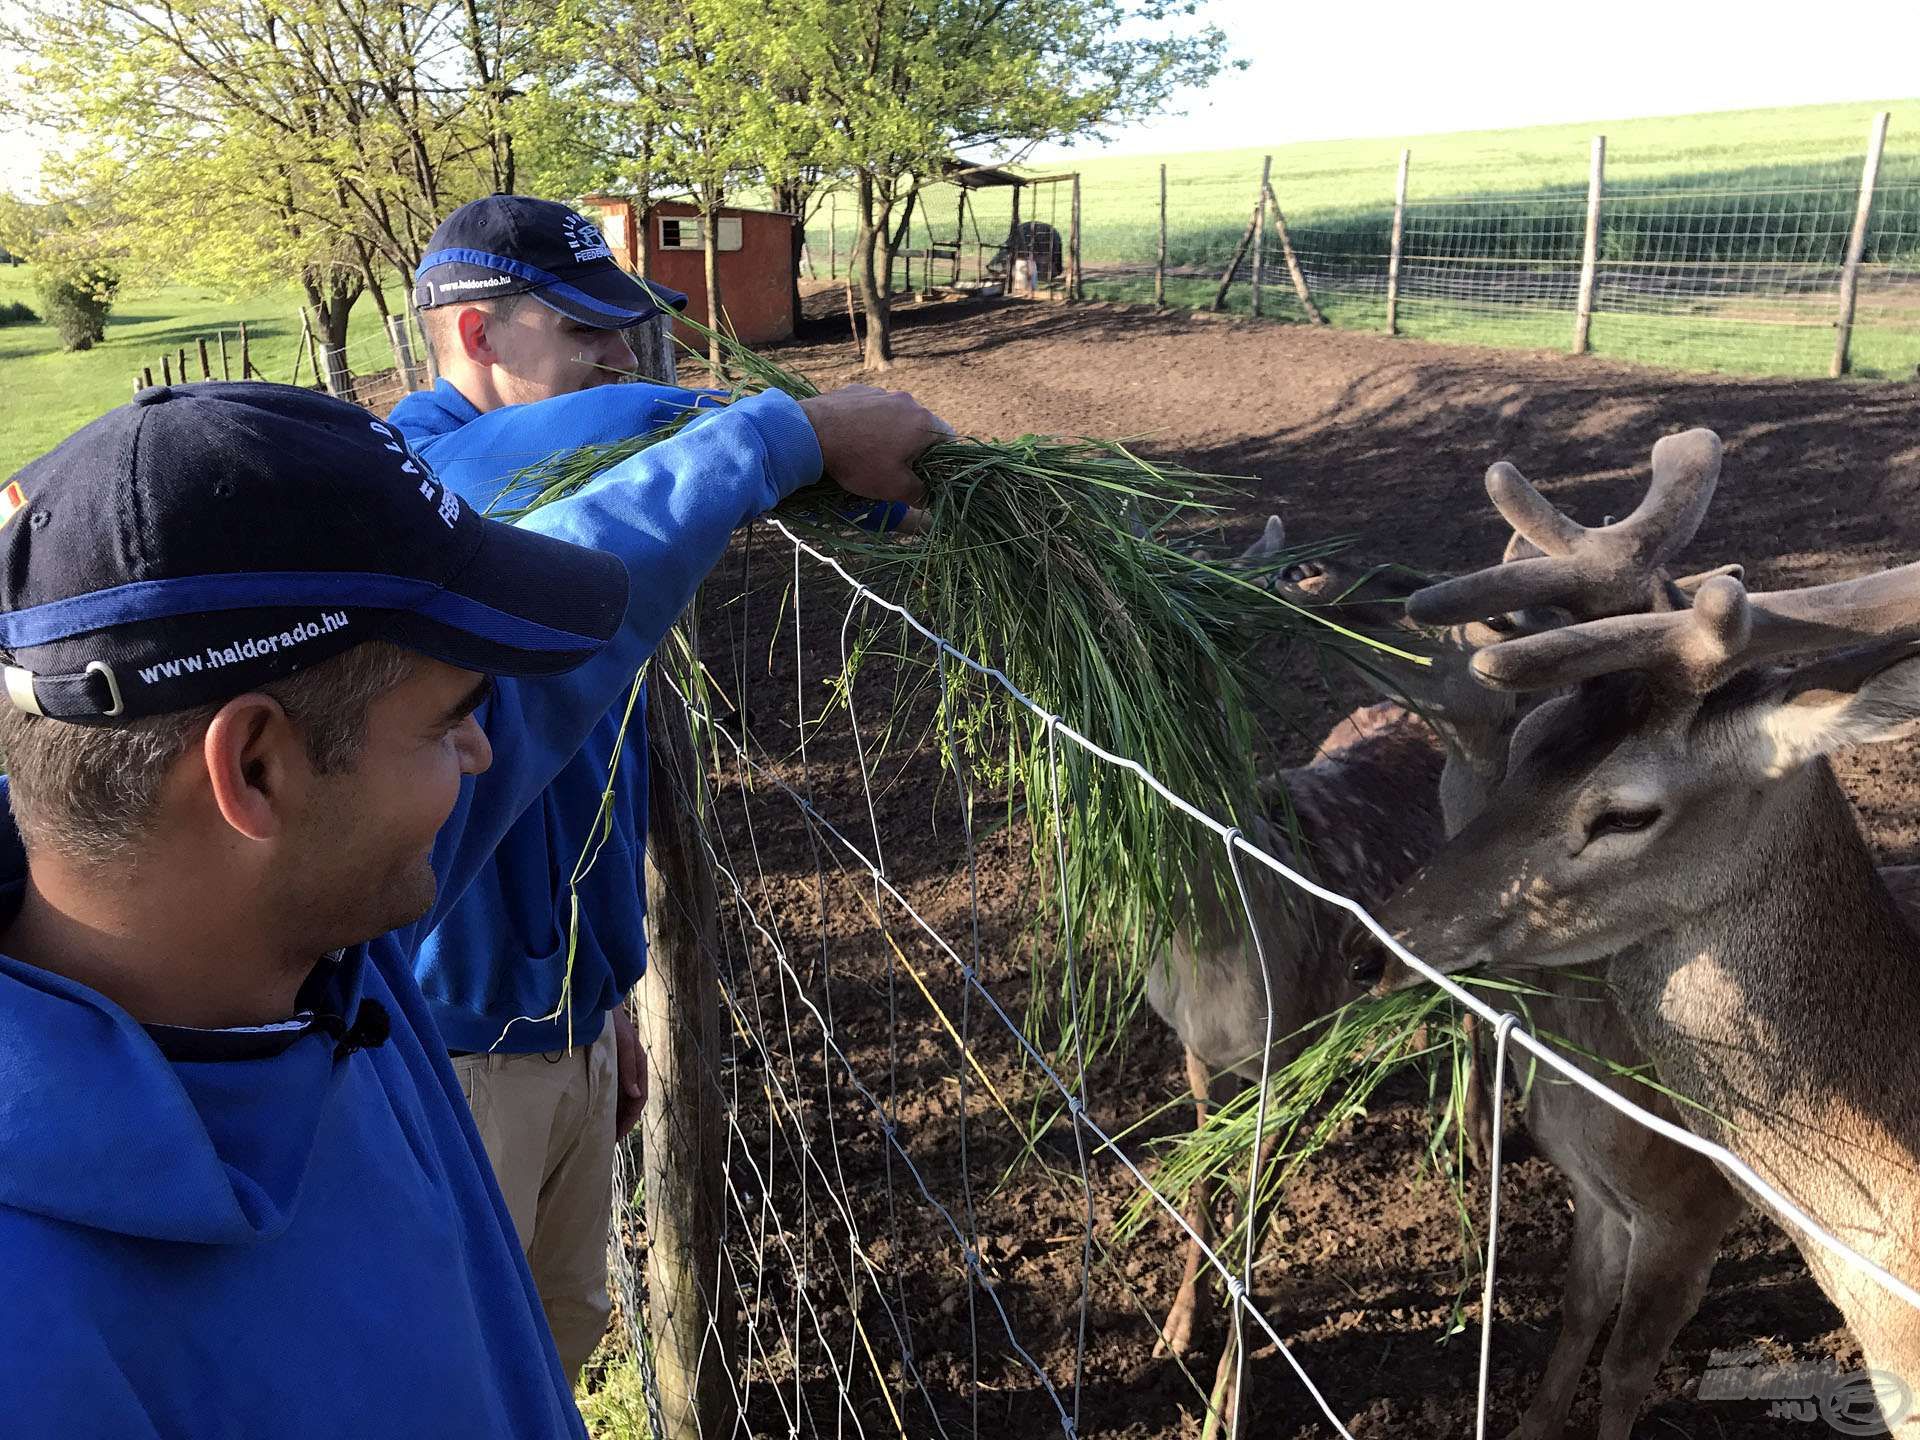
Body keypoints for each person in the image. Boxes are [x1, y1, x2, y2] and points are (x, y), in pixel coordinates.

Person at [0, 376, 942, 1437]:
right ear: (254, 772)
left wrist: (779, 443)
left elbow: (567, 649)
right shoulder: (36, 1354)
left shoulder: (285, 937)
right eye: (451, 719)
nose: (487, 751)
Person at [390, 194, 912, 1378]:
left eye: (627, 326)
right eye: (584, 330)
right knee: (462, 1373)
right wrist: (794, 440)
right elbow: (609, 485)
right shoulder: (429, 486)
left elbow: (577, 792)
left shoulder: (560, 456)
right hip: (459, 1057)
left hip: (566, 1031)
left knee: (564, 1331)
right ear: (474, 336)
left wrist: (605, 999)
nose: (623, 352)